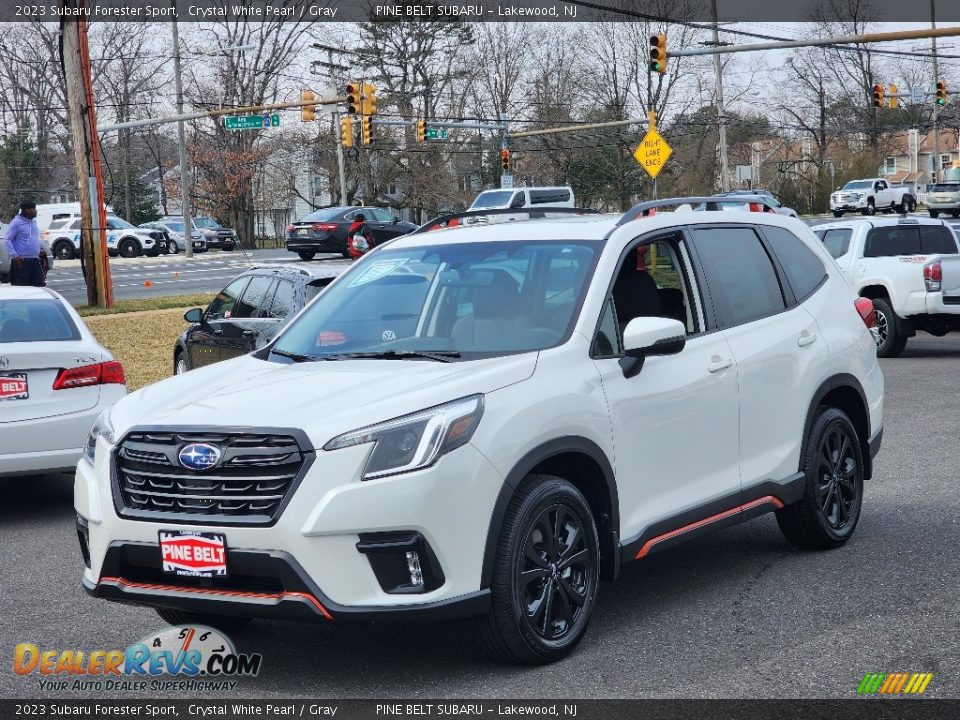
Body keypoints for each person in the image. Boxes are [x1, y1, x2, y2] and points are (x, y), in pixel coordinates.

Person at [4, 201, 43, 287]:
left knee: (39, 286)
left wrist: (39, 250)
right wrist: (15, 256)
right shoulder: (16, 222)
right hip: (22, 261)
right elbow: (7, 239)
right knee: (22, 288)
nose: (36, 211)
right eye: (33, 209)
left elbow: (33, 238)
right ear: (27, 210)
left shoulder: (34, 222)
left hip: (35, 260)